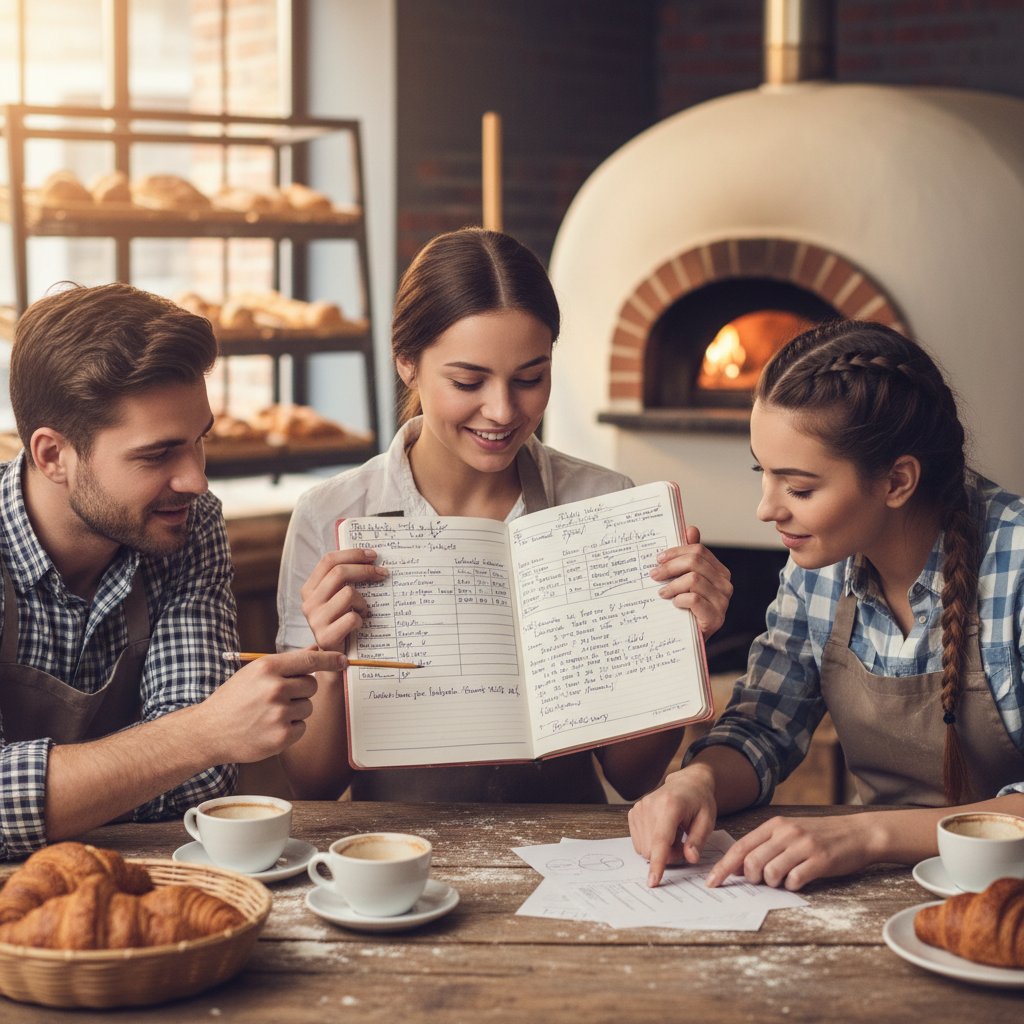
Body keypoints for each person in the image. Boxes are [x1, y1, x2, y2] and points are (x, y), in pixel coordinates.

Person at [276, 227, 734, 802]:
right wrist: (326, 656)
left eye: (530, 378)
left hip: (572, 845)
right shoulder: (332, 514)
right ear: (406, 363)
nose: (502, 411)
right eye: (468, 381)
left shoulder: (604, 506)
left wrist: (678, 643)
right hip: (397, 849)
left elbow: (632, 777)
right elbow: (311, 783)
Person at [629, 319, 1024, 891]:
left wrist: (868, 836)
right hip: (885, 890)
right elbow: (764, 725)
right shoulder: (819, 565)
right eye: (762, 473)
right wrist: (699, 783)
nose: (767, 510)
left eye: (799, 488)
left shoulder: (1014, 561)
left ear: (897, 482)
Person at [0, 282, 344, 860]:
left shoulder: (188, 523)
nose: (196, 480)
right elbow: (207, 742)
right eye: (158, 454)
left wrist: (55, 791)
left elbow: (202, 782)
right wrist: (202, 732)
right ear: (52, 455)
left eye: (199, 441)